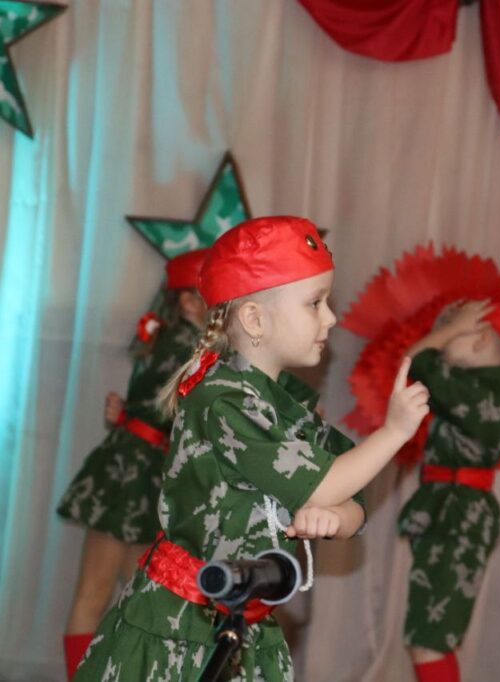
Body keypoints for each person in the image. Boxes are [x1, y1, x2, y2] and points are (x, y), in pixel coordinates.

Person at [72, 215, 429, 681]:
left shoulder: (285, 402)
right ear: (255, 318)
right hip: (182, 633)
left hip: (244, 623)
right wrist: (394, 433)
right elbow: (327, 484)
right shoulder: (225, 401)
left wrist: (338, 517)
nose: (330, 318)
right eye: (315, 303)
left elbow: (349, 488)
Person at [56, 247, 209, 679]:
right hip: (129, 474)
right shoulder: (185, 345)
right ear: (188, 300)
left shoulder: (174, 340)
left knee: (135, 593)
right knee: (97, 592)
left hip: (141, 471)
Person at [400, 299, 500, 682]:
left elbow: (415, 361)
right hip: (449, 510)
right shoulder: (479, 387)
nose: (438, 339)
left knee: (430, 639)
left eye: (449, 331)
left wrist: (449, 330)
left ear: (481, 338)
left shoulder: (487, 391)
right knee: (430, 636)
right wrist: (453, 329)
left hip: (460, 516)